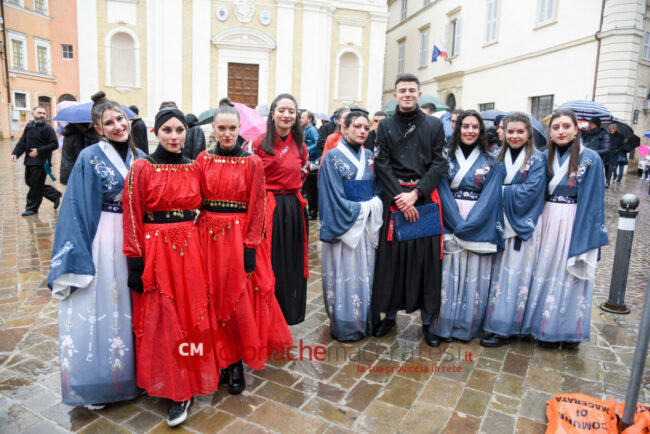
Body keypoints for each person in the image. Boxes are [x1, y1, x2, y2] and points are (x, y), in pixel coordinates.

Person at [122, 108, 220, 426]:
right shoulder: (141, 168)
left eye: (179, 130)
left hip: (190, 252)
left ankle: (185, 385)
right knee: (162, 318)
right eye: (167, 131)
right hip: (155, 253)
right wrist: (134, 262)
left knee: (191, 316)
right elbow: (132, 216)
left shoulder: (194, 168)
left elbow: (209, 208)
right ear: (156, 133)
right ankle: (170, 380)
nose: (175, 136)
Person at [47, 91, 143, 410]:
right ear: (98, 129)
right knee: (102, 304)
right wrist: (78, 254)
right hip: (103, 237)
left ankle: (134, 375)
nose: (117, 125)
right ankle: (100, 381)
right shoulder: (90, 158)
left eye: (120, 119)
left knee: (132, 307)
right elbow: (75, 205)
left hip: (134, 240)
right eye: (109, 122)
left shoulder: (141, 156)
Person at [197, 101, 292, 391]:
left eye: (232, 128)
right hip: (208, 238)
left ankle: (236, 361)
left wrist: (251, 247)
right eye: (222, 128)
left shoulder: (252, 163)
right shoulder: (202, 160)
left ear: (240, 130)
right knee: (213, 299)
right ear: (213, 128)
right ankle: (220, 360)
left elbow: (258, 207)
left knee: (240, 301)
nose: (227, 134)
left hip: (239, 240)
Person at [522, 109, 609, 349]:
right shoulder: (541, 157)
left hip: (573, 218)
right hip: (546, 217)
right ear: (550, 132)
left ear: (575, 129)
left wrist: (587, 233)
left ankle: (568, 331)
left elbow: (593, 199)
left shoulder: (590, 158)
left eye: (565, 126)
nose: (561, 131)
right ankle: (543, 327)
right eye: (556, 127)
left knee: (568, 274)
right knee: (544, 270)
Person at [371, 73, 447, 347]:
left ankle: (428, 323)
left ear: (419, 94)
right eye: (402, 90)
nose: (407, 94)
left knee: (426, 263)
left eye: (411, 90)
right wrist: (400, 199)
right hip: (394, 201)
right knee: (392, 262)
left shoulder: (434, 126)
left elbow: (440, 164)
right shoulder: (385, 127)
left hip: (423, 200)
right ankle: (389, 316)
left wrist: (415, 195)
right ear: (395, 95)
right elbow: (381, 164)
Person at [433, 110, 504, 344]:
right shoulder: (444, 157)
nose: (470, 131)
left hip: (478, 220)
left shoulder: (492, 161)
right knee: (447, 275)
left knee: (474, 275)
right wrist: (455, 222)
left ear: (481, 131)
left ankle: (466, 326)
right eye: (465, 126)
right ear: (458, 129)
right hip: (449, 216)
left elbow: (491, 196)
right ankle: (444, 324)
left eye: (475, 127)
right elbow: (441, 188)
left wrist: (470, 224)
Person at [481, 113, 546, 347]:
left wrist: (496, 193)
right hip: (495, 222)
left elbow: (532, 191)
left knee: (514, 275)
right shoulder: (495, 156)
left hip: (519, 223)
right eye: (510, 131)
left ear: (528, 133)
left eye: (520, 131)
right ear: (503, 133)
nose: (515, 136)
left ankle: (506, 327)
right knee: (493, 274)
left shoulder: (538, 160)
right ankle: (488, 321)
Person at [319, 111, 383, 342]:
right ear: (345, 128)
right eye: (357, 126)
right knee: (344, 273)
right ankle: (345, 324)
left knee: (366, 273)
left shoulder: (372, 158)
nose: (362, 131)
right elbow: (331, 195)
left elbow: (378, 189)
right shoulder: (332, 157)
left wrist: (373, 205)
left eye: (366, 127)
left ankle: (366, 319)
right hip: (344, 224)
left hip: (366, 226)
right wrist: (361, 209)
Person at [251, 93, 309, 325]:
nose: (286, 115)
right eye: (282, 110)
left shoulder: (301, 145)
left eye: (291, 111)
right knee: (270, 260)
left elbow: (303, 173)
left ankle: (289, 311)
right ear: (273, 113)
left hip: (293, 208)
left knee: (292, 259)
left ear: (296, 116)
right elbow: (251, 178)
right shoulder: (258, 143)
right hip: (268, 207)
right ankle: (267, 313)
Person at [11, 106, 62, 216]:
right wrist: (15, 153)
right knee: (30, 182)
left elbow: (55, 144)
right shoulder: (29, 126)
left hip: (41, 162)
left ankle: (32, 208)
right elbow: (22, 142)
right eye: (39, 113)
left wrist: (39, 151)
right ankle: (54, 194)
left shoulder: (47, 128)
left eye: (44, 113)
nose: (42, 115)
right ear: (32, 113)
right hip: (29, 161)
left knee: (35, 186)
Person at [301, 110, 320, 219]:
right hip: (308, 161)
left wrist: (306, 150)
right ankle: (311, 210)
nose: (301, 120)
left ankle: (313, 212)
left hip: (312, 162)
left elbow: (317, 144)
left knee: (312, 189)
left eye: (303, 118)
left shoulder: (312, 130)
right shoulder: (306, 130)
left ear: (309, 119)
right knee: (308, 188)